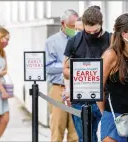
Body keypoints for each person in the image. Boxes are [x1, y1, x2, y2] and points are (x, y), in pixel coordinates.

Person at [63, 6, 112, 142]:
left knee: (107, 137)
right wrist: (82, 71)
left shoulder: (111, 40)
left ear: (101, 24)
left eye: (95, 31)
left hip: (104, 99)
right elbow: (65, 71)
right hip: (80, 100)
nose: (91, 34)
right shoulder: (73, 41)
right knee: (85, 138)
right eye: (88, 31)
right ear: (83, 24)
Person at [97, 13, 128, 142]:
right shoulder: (110, 56)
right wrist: (106, 113)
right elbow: (98, 89)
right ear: (124, 34)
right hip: (114, 116)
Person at [45, 9, 79, 142]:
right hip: (58, 89)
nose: (74, 29)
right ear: (63, 23)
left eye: (76, 26)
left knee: (75, 133)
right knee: (57, 132)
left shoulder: (80, 39)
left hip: (77, 90)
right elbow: (49, 67)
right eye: (71, 26)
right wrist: (67, 66)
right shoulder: (51, 42)